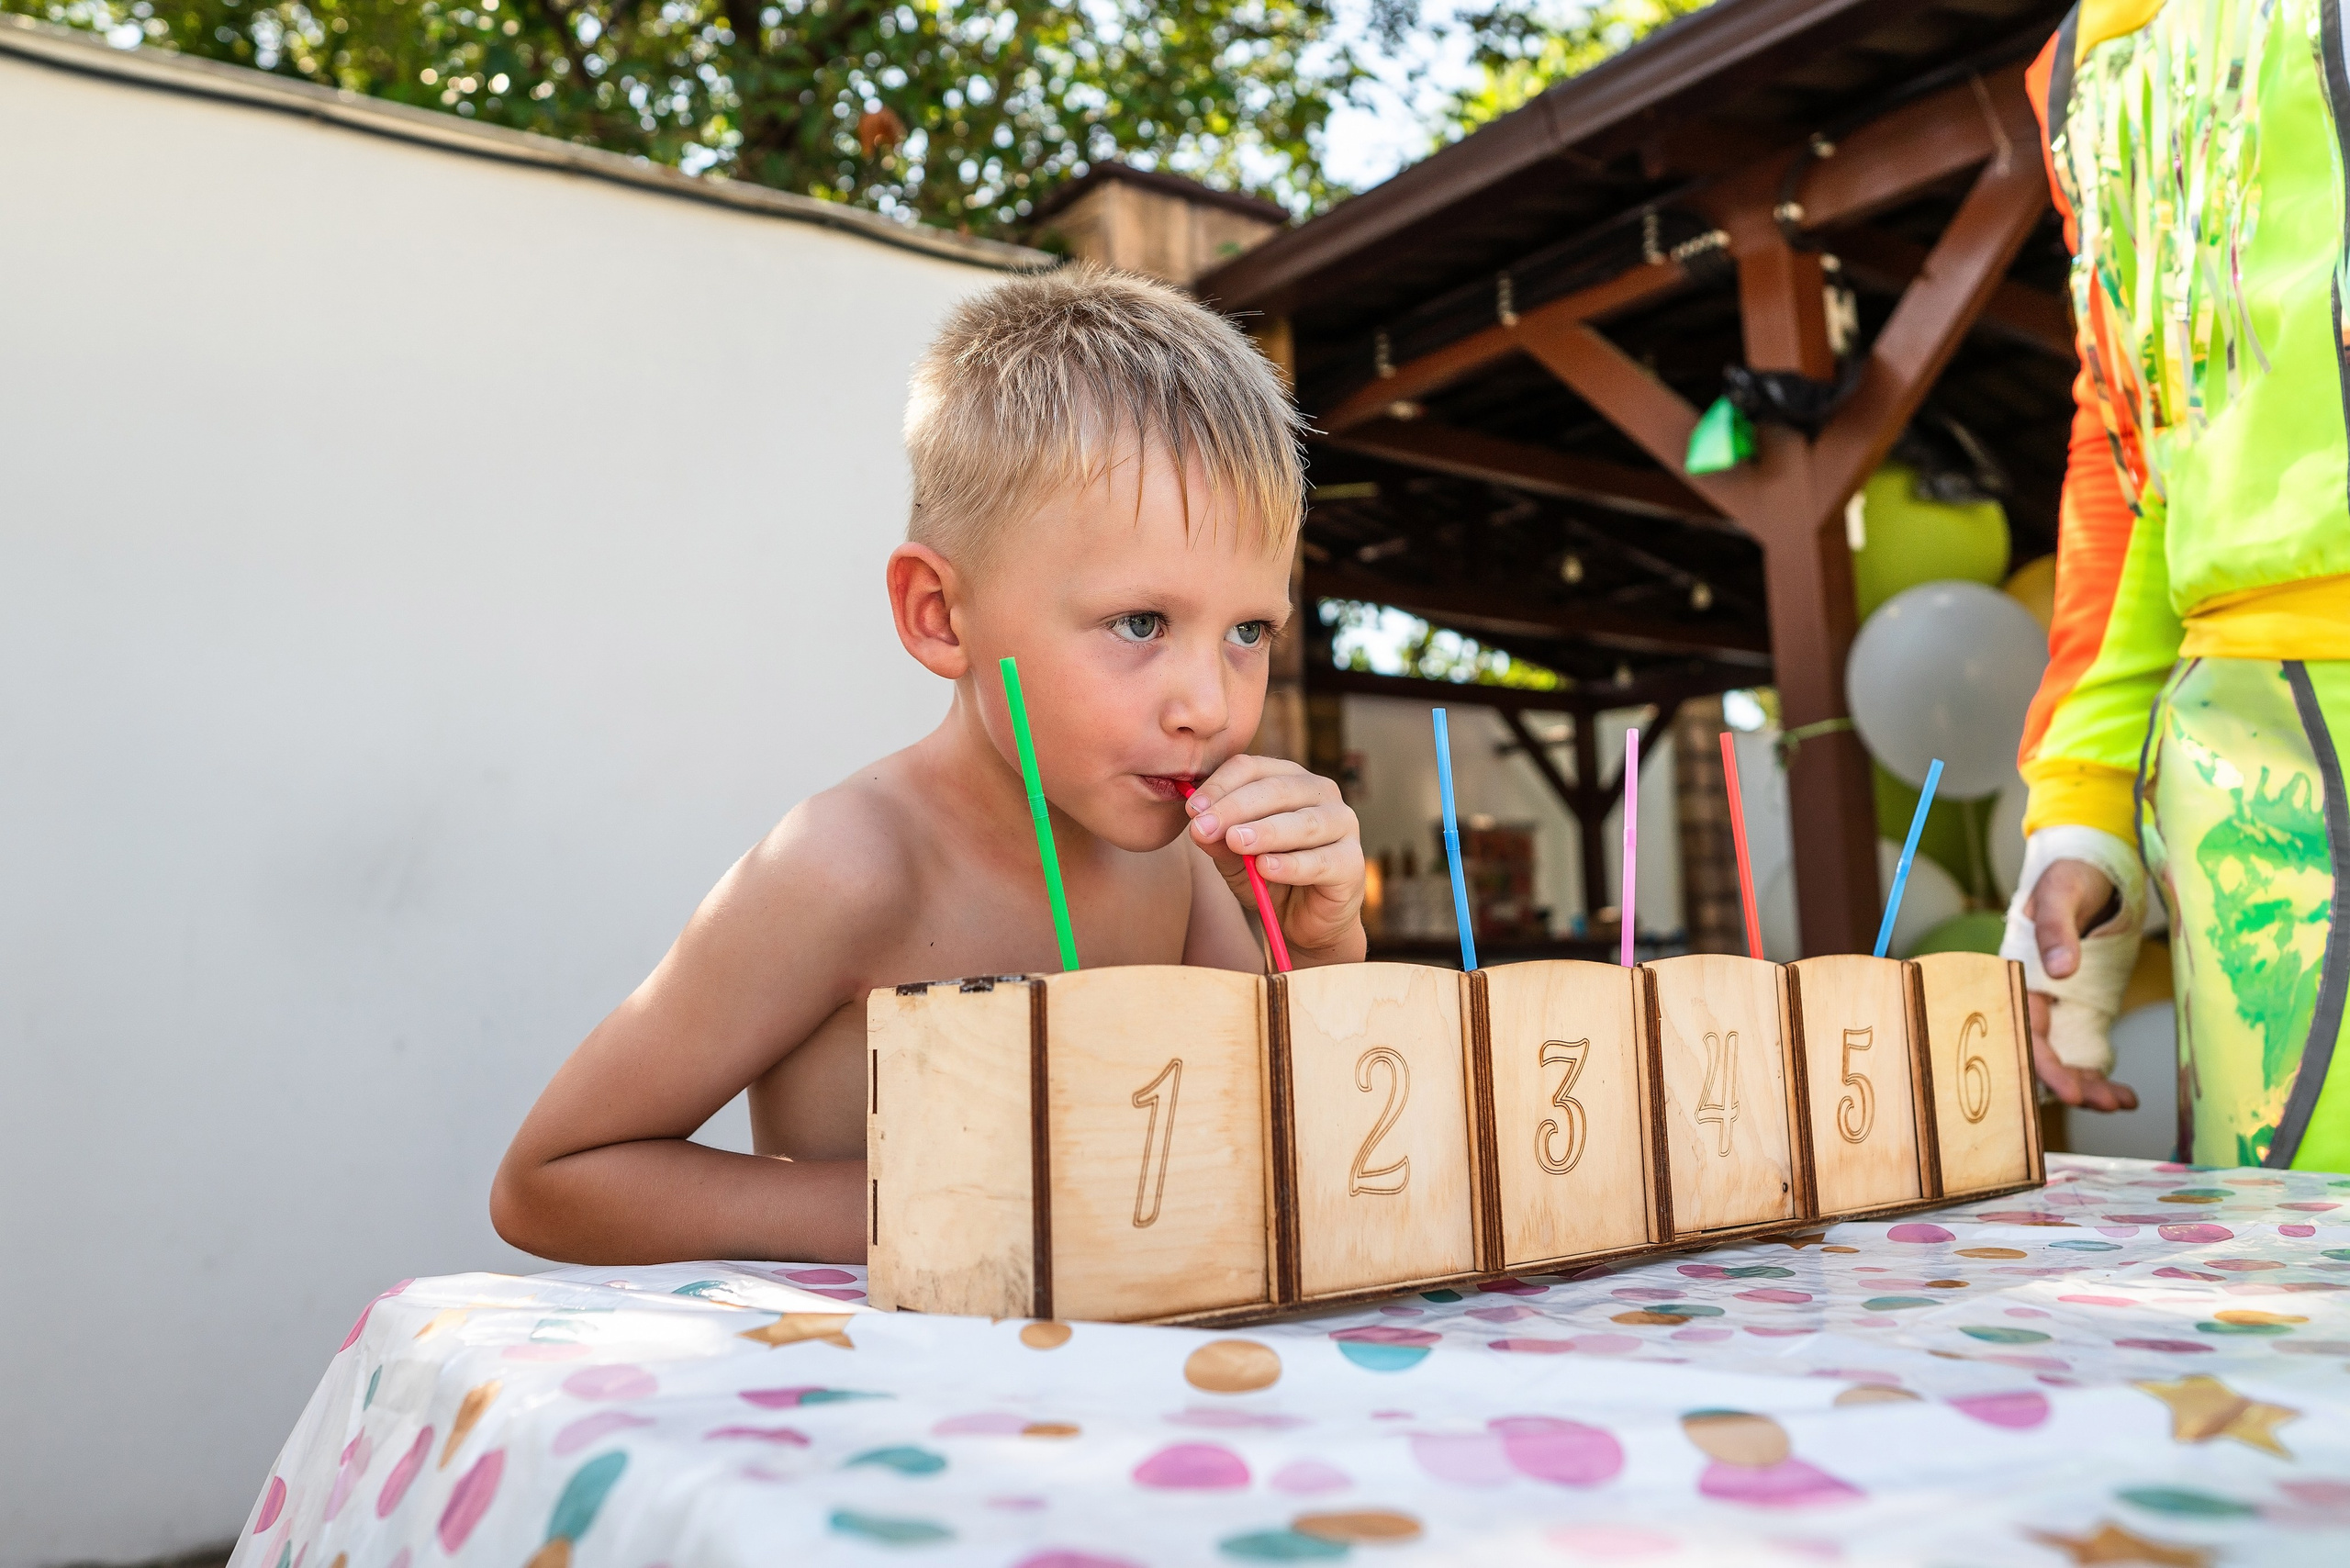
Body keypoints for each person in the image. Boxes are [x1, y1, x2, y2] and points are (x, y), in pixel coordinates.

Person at [492, 267, 1367, 1263]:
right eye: (1139, 622)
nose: (1208, 705)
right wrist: (957, 1203)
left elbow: (1282, 1144)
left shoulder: (1171, 869)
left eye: (1247, 631)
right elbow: (550, 1180)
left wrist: (1320, 945)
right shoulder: (845, 867)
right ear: (939, 615)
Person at [2006, 2, 2350, 1170]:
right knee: (2291, 1292)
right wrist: (2086, 813)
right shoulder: (2079, 66)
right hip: (2245, 790)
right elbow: (2130, 434)